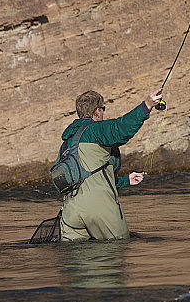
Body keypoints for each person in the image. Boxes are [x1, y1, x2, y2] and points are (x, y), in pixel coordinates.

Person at [58, 88, 163, 240]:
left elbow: (77, 180)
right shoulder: (94, 130)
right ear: (97, 111)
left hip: (70, 212)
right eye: (103, 109)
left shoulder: (67, 143)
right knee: (118, 249)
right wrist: (146, 105)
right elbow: (121, 128)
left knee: (76, 261)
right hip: (100, 208)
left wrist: (126, 180)